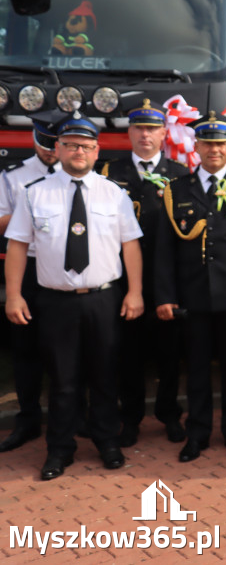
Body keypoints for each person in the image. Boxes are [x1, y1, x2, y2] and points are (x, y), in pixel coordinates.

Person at [5, 112, 144, 480]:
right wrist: (15, 296)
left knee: (104, 375)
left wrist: (135, 292)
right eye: (70, 145)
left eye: (85, 146)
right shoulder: (34, 193)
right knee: (62, 381)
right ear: (58, 148)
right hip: (55, 302)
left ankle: (107, 442)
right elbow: (18, 246)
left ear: (96, 150)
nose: (77, 151)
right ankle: (59, 450)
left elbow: (130, 246)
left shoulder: (114, 194)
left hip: (104, 299)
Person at [154, 111, 226, 463]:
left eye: (221, 144)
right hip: (193, 298)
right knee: (198, 371)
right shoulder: (176, 190)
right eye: (207, 143)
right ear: (197, 146)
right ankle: (198, 433)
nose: (214, 150)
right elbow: (164, 250)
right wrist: (165, 297)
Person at [101, 100, 189, 448]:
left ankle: (169, 414)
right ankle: (130, 418)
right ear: (129, 134)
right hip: (123, 281)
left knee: (170, 354)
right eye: (139, 128)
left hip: (167, 280)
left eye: (152, 129)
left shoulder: (180, 175)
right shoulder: (108, 173)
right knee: (128, 355)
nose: (145, 135)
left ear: (164, 134)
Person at [0, 110, 63, 453]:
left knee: (66, 350)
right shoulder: (14, 177)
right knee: (26, 351)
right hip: (27, 270)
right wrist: (31, 212)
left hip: (64, 271)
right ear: (35, 140)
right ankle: (27, 420)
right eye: (46, 144)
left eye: (58, 145)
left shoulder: (77, 175)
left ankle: (69, 417)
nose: (52, 151)